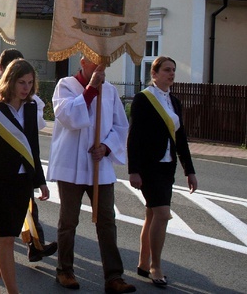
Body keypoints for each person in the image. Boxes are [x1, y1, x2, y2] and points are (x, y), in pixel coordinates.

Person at [49, 56, 135, 293]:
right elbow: (67, 116)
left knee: (107, 220)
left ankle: (114, 276)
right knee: (68, 221)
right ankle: (64, 270)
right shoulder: (65, 85)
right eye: (96, 64)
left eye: (104, 65)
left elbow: (120, 126)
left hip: (100, 164)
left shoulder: (110, 91)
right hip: (72, 165)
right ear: (83, 62)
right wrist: (89, 90)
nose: (101, 69)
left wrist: (106, 146)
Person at [0, 48, 57, 263]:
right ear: (8, 77)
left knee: (7, 236)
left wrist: (41, 181)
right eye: (21, 82)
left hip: (22, 179)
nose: (26, 88)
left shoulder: (31, 107)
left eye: (29, 82)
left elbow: (33, 148)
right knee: (5, 237)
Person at [128, 56, 197, 288]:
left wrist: (190, 170)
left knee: (151, 215)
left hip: (168, 167)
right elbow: (134, 137)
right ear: (154, 73)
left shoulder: (174, 102)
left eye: (174, 70)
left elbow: (181, 138)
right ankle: (156, 266)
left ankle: (143, 262)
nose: (171, 74)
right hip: (149, 167)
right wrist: (133, 170)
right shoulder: (143, 99)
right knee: (162, 214)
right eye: (167, 70)